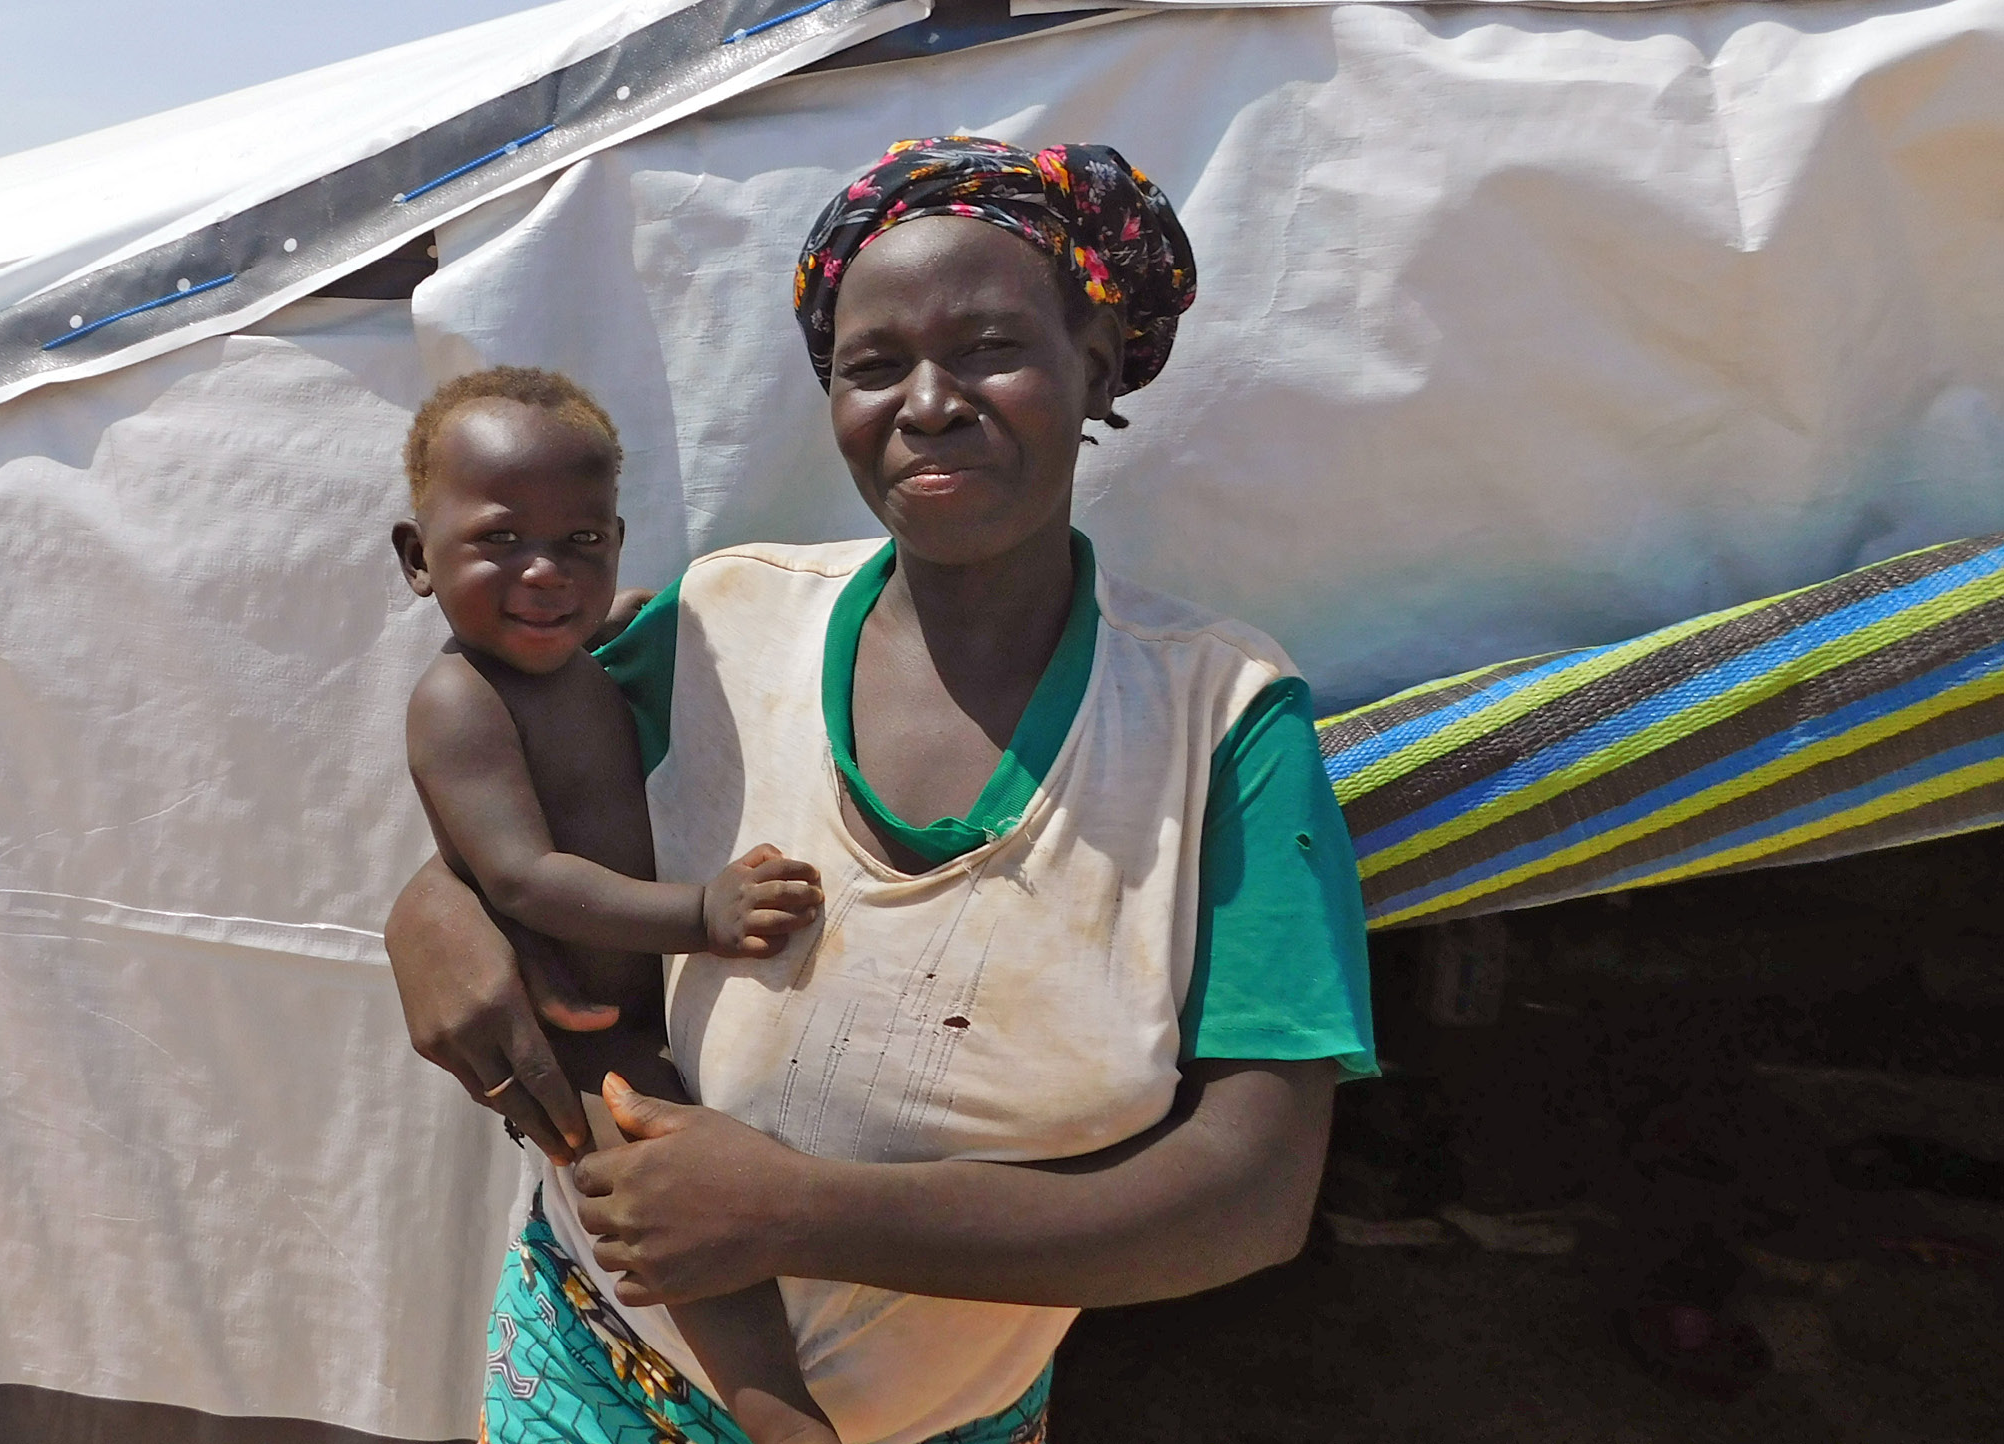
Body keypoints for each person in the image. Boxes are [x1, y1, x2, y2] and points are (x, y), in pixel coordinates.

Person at [388, 137, 1378, 1444]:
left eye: (985, 347)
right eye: (872, 365)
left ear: (1091, 368)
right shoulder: (718, 626)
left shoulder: (1218, 721)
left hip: (950, 1421)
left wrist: (795, 1212)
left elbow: (1246, 1196)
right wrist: (429, 915)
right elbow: (502, 797)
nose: (927, 401)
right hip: (592, 1379)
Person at [390, 365, 841, 1443]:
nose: (545, 573)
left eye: (581, 545)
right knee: (666, 1208)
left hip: (640, 1006)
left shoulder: (565, 662)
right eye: (502, 541)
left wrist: (613, 626)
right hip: (585, 1030)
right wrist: (703, 915)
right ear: (417, 557)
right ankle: (784, 1419)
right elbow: (522, 879)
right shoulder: (460, 701)